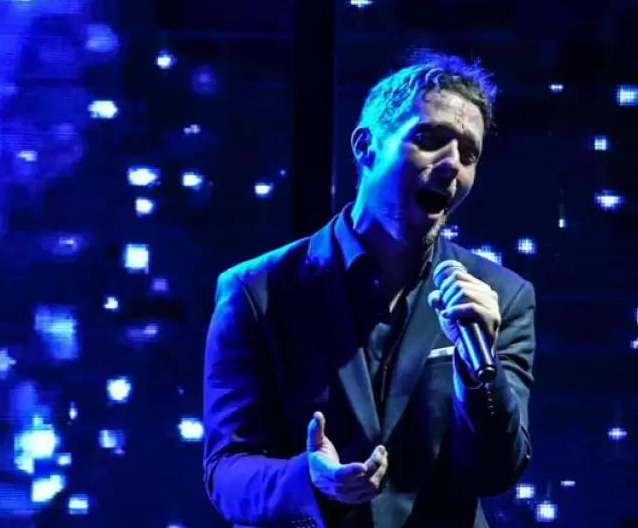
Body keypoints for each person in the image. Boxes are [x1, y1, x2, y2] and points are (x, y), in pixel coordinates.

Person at [202, 51, 534, 528]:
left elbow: (497, 469)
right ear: (366, 147)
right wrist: (309, 481)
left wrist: (478, 372)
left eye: (469, 154)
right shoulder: (257, 292)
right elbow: (226, 470)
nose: (452, 165)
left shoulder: (501, 296)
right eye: (430, 139)